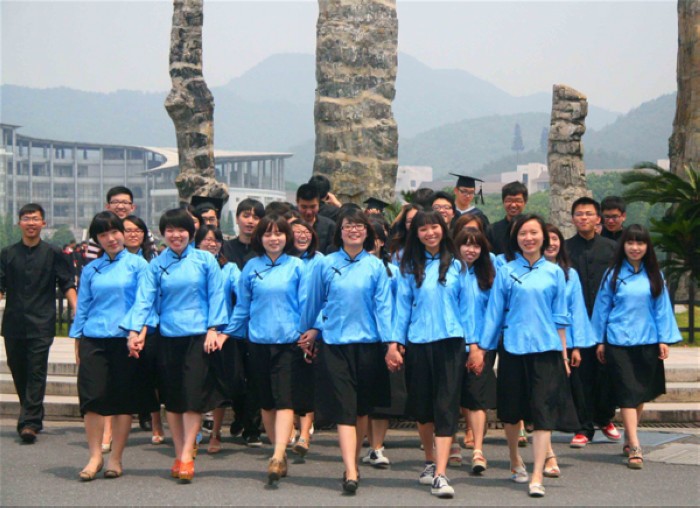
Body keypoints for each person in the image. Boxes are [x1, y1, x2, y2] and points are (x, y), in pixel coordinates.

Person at [472, 214, 579, 499]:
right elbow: (494, 312)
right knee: (511, 409)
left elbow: (560, 317)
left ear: (544, 237)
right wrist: (482, 349)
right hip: (513, 348)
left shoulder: (555, 272)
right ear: (515, 238)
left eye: (533, 233)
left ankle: (537, 473)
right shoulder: (506, 271)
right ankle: (514, 459)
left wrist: (565, 354)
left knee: (543, 412)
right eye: (522, 234)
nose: (528, 238)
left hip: (546, 350)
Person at [121, 208, 227, 483]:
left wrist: (214, 329)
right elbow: (144, 299)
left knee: (192, 399)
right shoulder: (156, 264)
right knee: (174, 401)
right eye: (170, 230)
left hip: (198, 337)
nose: (175, 235)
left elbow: (216, 295)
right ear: (162, 234)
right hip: (168, 337)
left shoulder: (205, 260)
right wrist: (135, 331)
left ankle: (187, 456)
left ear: (191, 233)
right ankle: (179, 452)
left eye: (181, 230)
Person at [304, 208, 393, 494]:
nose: (353, 230)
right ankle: (352, 471)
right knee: (344, 408)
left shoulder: (376, 266)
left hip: (367, 345)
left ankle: (352, 462)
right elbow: (316, 303)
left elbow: (384, 306)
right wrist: (312, 329)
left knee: (361, 409)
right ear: (339, 232)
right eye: (347, 226)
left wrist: (391, 343)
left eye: (359, 226)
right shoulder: (325, 264)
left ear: (367, 232)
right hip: (335, 344)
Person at [219, 215, 314, 485]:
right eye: (268, 234)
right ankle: (279, 451)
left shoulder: (297, 266)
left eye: (279, 234)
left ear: (287, 237)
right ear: (260, 239)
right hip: (258, 342)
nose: (274, 238)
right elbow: (243, 307)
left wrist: (308, 333)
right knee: (266, 402)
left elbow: (306, 304)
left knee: (285, 399)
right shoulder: (250, 267)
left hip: (289, 343)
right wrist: (227, 333)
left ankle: (277, 453)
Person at [392, 210, 472, 499]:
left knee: (446, 405)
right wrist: (394, 343)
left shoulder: (458, 266)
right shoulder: (408, 266)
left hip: (451, 343)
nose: (429, 233)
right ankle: (429, 460)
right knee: (423, 407)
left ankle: (440, 473)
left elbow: (468, 310)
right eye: (423, 228)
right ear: (417, 234)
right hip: (418, 343)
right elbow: (401, 308)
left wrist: (473, 346)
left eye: (434, 227)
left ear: (443, 229)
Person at [69, 211, 151, 480]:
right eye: (103, 234)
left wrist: (136, 332)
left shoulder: (139, 266)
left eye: (115, 232)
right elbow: (83, 306)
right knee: (92, 399)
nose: (111, 238)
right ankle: (94, 456)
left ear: (123, 233)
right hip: (94, 337)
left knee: (122, 401)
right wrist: (77, 339)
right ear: (97, 240)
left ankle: (115, 457)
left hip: (125, 341)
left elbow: (144, 303)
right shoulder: (92, 268)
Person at [592, 224, 681, 469]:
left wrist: (664, 338)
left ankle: (629, 438)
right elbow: (602, 309)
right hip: (618, 341)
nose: (634, 247)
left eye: (640, 243)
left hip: (647, 341)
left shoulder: (654, 275)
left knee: (640, 392)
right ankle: (635, 444)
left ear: (646, 247)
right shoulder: (613, 274)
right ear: (623, 246)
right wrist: (600, 340)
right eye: (630, 243)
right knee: (628, 394)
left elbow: (661, 309)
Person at [0, 203, 77, 443]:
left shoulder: (54, 253)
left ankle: (29, 423)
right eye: (26, 218)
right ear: (19, 223)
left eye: (35, 218)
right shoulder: (7, 254)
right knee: (18, 369)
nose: (31, 223)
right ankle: (31, 413)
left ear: (43, 223)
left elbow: (66, 283)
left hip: (42, 321)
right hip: (13, 321)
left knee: (36, 370)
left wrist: (77, 308)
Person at [565, 197, 621, 448]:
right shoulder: (565, 249)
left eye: (588, 214)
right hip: (577, 322)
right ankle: (583, 427)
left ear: (598, 218)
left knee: (606, 372)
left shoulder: (611, 249)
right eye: (578, 214)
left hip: (606, 323)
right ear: (573, 218)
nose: (583, 218)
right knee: (580, 375)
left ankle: (605, 417)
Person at [543, 223, 597, 478]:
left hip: (565, 340)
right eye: (547, 239)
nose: (551, 243)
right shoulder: (526, 271)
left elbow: (576, 311)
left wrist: (576, 346)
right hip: (539, 341)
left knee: (575, 387)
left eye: (555, 239)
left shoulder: (569, 274)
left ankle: (582, 428)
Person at [361, 216, 406, 468]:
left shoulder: (394, 272)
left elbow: (400, 307)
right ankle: (369, 444)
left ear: (380, 242)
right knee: (365, 395)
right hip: (363, 338)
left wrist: (398, 340)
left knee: (385, 397)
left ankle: (378, 446)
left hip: (387, 339)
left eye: (373, 239)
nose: (369, 244)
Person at [193, 225, 242, 455]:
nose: (211, 244)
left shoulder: (229, 269)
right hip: (193, 333)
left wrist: (227, 331)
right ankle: (193, 432)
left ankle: (216, 433)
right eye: (206, 240)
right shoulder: (190, 267)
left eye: (216, 240)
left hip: (221, 336)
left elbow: (243, 297)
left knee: (219, 386)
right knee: (195, 385)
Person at [453, 228, 496, 475]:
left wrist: (480, 346)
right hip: (451, 345)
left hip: (480, 346)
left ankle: (478, 450)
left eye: (476, 246)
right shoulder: (449, 273)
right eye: (466, 245)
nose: (471, 250)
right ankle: (451, 445)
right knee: (449, 398)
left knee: (477, 398)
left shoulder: (489, 276)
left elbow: (493, 314)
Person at [122, 215, 163, 444]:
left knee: (151, 377)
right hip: (120, 326)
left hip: (148, 324)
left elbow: (153, 298)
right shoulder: (111, 260)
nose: (133, 234)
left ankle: (156, 422)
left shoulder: (152, 260)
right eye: (127, 230)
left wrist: (143, 329)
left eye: (138, 230)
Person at [288, 218, 325, 457]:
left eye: (306, 232)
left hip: (312, 330)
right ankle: (289, 431)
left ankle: (304, 434)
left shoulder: (320, 261)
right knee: (287, 383)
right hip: (286, 330)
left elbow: (326, 298)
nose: (302, 236)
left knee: (308, 383)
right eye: (296, 232)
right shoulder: (283, 260)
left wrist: (315, 329)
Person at [84, 186, 147, 262]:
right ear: (108, 206)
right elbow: (92, 263)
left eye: (125, 202)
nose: (120, 206)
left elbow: (151, 256)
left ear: (132, 207)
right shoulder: (100, 233)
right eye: (115, 202)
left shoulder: (142, 231)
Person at [487, 181, 528, 255]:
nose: (513, 205)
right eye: (509, 201)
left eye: (518, 201)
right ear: (503, 202)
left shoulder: (531, 228)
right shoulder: (492, 230)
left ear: (525, 202)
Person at [221, 198, 264, 270]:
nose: (250, 221)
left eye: (255, 218)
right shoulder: (225, 248)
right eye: (246, 216)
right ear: (237, 219)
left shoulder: (264, 250)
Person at [296, 183, 336, 254]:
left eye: (312, 207)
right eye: (304, 207)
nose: (308, 212)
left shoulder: (329, 226)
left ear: (318, 203)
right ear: (297, 203)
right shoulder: (289, 225)